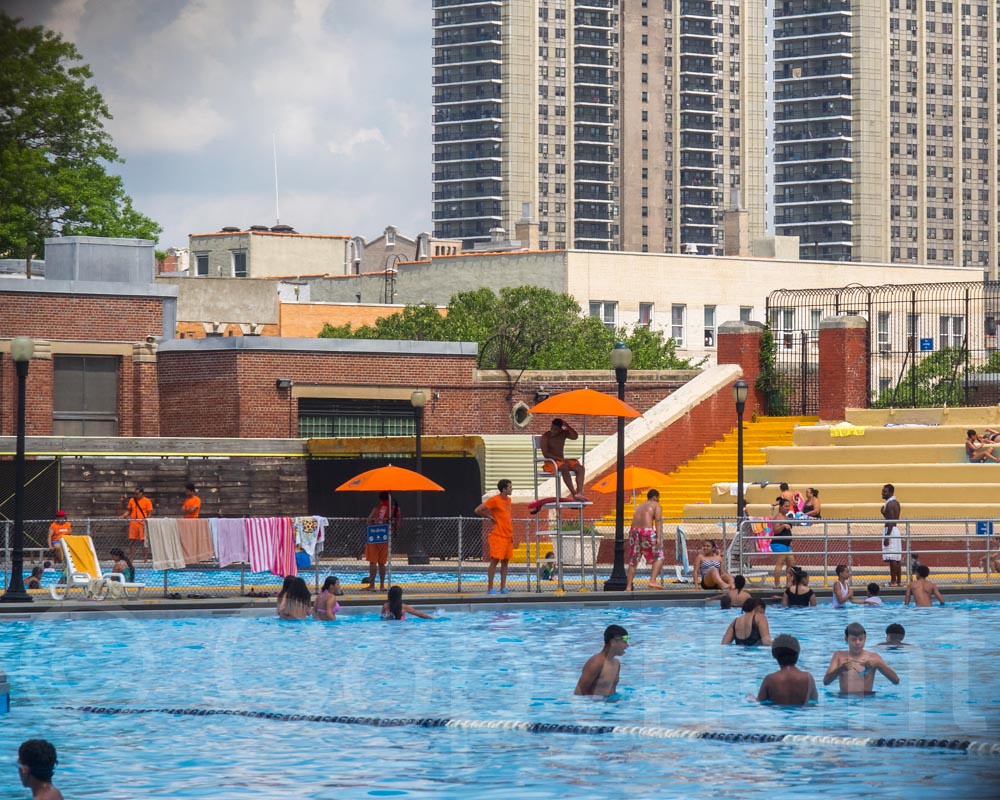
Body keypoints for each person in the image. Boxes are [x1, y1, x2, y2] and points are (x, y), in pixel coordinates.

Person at [823, 622, 900, 696]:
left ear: (865, 638)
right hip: (845, 698)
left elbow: (896, 681)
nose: (857, 643)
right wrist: (840, 668)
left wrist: (878, 664)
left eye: (861, 639)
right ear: (846, 639)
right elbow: (826, 682)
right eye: (853, 640)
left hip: (867, 698)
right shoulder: (839, 656)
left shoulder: (873, 657)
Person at [475, 479, 514, 595]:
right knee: (495, 561)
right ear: (504, 489)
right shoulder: (495, 500)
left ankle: (503, 587)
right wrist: (490, 517)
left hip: (508, 535)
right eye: (510, 487)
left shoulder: (509, 500)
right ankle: (490, 588)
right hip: (498, 535)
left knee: (505, 562)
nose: (511, 489)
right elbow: (478, 510)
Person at [756, 634, 818, 706]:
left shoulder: (770, 679)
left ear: (775, 655)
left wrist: (750, 698)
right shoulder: (807, 678)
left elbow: (759, 704)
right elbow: (814, 701)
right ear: (797, 654)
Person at [625, 489, 665, 591]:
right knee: (659, 556)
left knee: (633, 560)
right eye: (658, 498)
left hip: (634, 532)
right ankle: (652, 580)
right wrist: (659, 539)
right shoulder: (656, 505)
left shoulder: (640, 506)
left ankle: (628, 586)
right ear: (655, 497)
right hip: (646, 531)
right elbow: (658, 521)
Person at [574, 624, 628, 696]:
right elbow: (578, 692)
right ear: (613, 642)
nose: (627, 645)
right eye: (624, 641)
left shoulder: (616, 663)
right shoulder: (596, 663)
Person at [540, 418, 586, 500]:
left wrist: (567, 426)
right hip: (551, 462)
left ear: (560, 429)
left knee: (580, 468)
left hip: (562, 460)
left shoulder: (563, 433)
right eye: (552, 428)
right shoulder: (546, 436)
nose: (553, 431)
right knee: (564, 468)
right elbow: (545, 454)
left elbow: (575, 437)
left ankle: (579, 492)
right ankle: (573, 493)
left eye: (555, 430)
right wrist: (560, 459)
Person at [364, 492, 399, 593]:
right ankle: (382, 585)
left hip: (374, 537)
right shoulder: (394, 510)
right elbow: (396, 523)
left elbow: (369, 521)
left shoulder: (377, 509)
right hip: (386, 537)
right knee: (382, 563)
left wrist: (375, 522)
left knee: (373, 562)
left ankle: (372, 585)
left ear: (380, 499)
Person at [119, 486, 153, 561]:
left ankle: (145, 558)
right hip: (133, 522)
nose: (136, 495)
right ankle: (132, 558)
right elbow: (129, 510)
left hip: (142, 523)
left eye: (137, 494)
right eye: (135, 493)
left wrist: (146, 520)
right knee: (133, 540)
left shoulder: (147, 501)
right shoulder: (132, 500)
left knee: (143, 541)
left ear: (141, 493)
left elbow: (149, 513)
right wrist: (124, 515)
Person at [770, 497, 796, 588]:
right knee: (780, 563)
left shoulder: (786, 517)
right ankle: (777, 585)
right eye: (785, 506)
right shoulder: (778, 516)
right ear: (780, 507)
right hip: (778, 543)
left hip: (786, 544)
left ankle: (788, 584)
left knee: (791, 564)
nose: (787, 508)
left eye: (789, 506)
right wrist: (783, 525)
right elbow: (775, 530)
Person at [880, 484, 902, 587]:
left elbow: (891, 521)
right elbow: (891, 518)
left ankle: (893, 581)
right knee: (897, 558)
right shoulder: (896, 503)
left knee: (892, 558)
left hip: (890, 531)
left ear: (891, 492)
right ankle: (898, 581)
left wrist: (887, 537)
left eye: (885, 492)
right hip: (895, 530)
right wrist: (883, 514)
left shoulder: (890, 504)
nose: (882, 493)